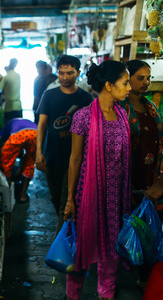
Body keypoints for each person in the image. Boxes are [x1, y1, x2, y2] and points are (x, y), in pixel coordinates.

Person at [64, 60, 132, 300]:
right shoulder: (83, 117)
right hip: (88, 194)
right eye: (125, 83)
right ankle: (73, 294)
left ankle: (106, 293)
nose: (129, 88)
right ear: (109, 85)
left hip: (116, 196)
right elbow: (74, 160)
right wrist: (70, 199)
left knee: (112, 248)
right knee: (83, 244)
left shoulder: (122, 115)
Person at [35, 55, 93, 233]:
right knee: (54, 196)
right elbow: (42, 124)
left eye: (69, 73)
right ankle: (67, 230)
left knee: (66, 202)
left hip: (76, 160)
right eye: (61, 73)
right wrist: (39, 152)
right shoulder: (49, 95)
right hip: (53, 155)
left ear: (78, 73)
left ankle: (61, 246)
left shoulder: (86, 98)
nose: (65, 77)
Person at [119, 60, 163, 205]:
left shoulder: (150, 107)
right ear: (127, 78)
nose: (146, 82)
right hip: (128, 177)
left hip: (152, 177)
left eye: (148, 78)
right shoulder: (119, 108)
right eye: (140, 78)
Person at [0, 118, 37, 203]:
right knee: (30, 161)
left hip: (19, 134)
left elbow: (2, 138)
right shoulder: (26, 121)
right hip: (36, 134)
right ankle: (23, 196)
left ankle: (9, 192)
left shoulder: (9, 124)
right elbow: (24, 154)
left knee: (6, 160)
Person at [0, 58, 21, 124]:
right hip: (18, 106)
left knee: (9, 130)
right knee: (18, 129)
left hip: (9, 107)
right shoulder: (18, 76)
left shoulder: (6, 77)